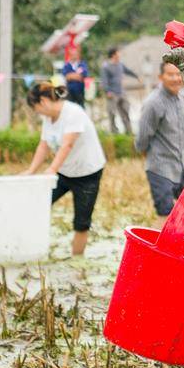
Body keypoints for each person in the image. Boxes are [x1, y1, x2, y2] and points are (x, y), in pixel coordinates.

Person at [24, 81, 106, 256]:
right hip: (65, 172)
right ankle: (34, 247)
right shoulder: (48, 118)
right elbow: (44, 145)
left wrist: (52, 169)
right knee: (39, 203)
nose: (37, 113)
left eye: (35, 108)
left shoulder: (73, 113)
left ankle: (77, 261)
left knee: (81, 222)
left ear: (43, 102)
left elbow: (67, 144)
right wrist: (31, 170)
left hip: (87, 174)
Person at [135, 61, 184, 217]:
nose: (175, 78)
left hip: (182, 169)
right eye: (170, 74)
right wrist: (147, 154)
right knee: (165, 217)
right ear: (161, 77)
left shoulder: (182, 99)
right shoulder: (153, 103)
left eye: (178, 74)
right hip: (160, 169)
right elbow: (142, 137)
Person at [100, 47, 141, 135]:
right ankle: (114, 132)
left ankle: (129, 131)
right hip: (112, 93)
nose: (119, 55)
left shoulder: (120, 65)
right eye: (118, 53)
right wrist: (107, 91)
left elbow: (128, 71)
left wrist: (136, 76)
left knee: (125, 111)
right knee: (112, 113)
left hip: (121, 92)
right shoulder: (106, 66)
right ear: (113, 54)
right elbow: (104, 80)